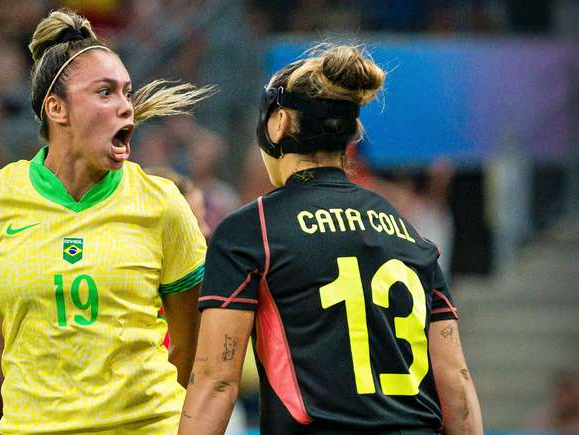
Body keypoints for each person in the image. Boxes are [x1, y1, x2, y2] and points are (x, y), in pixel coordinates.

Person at [0, 8, 213, 434]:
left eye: (126, 93)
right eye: (105, 93)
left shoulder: (163, 205)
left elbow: (190, 349)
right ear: (56, 109)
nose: (126, 107)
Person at [179, 43, 483, 434]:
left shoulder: (251, 230)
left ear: (278, 124)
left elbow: (216, 381)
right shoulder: (407, 231)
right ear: (351, 132)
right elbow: (456, 379)